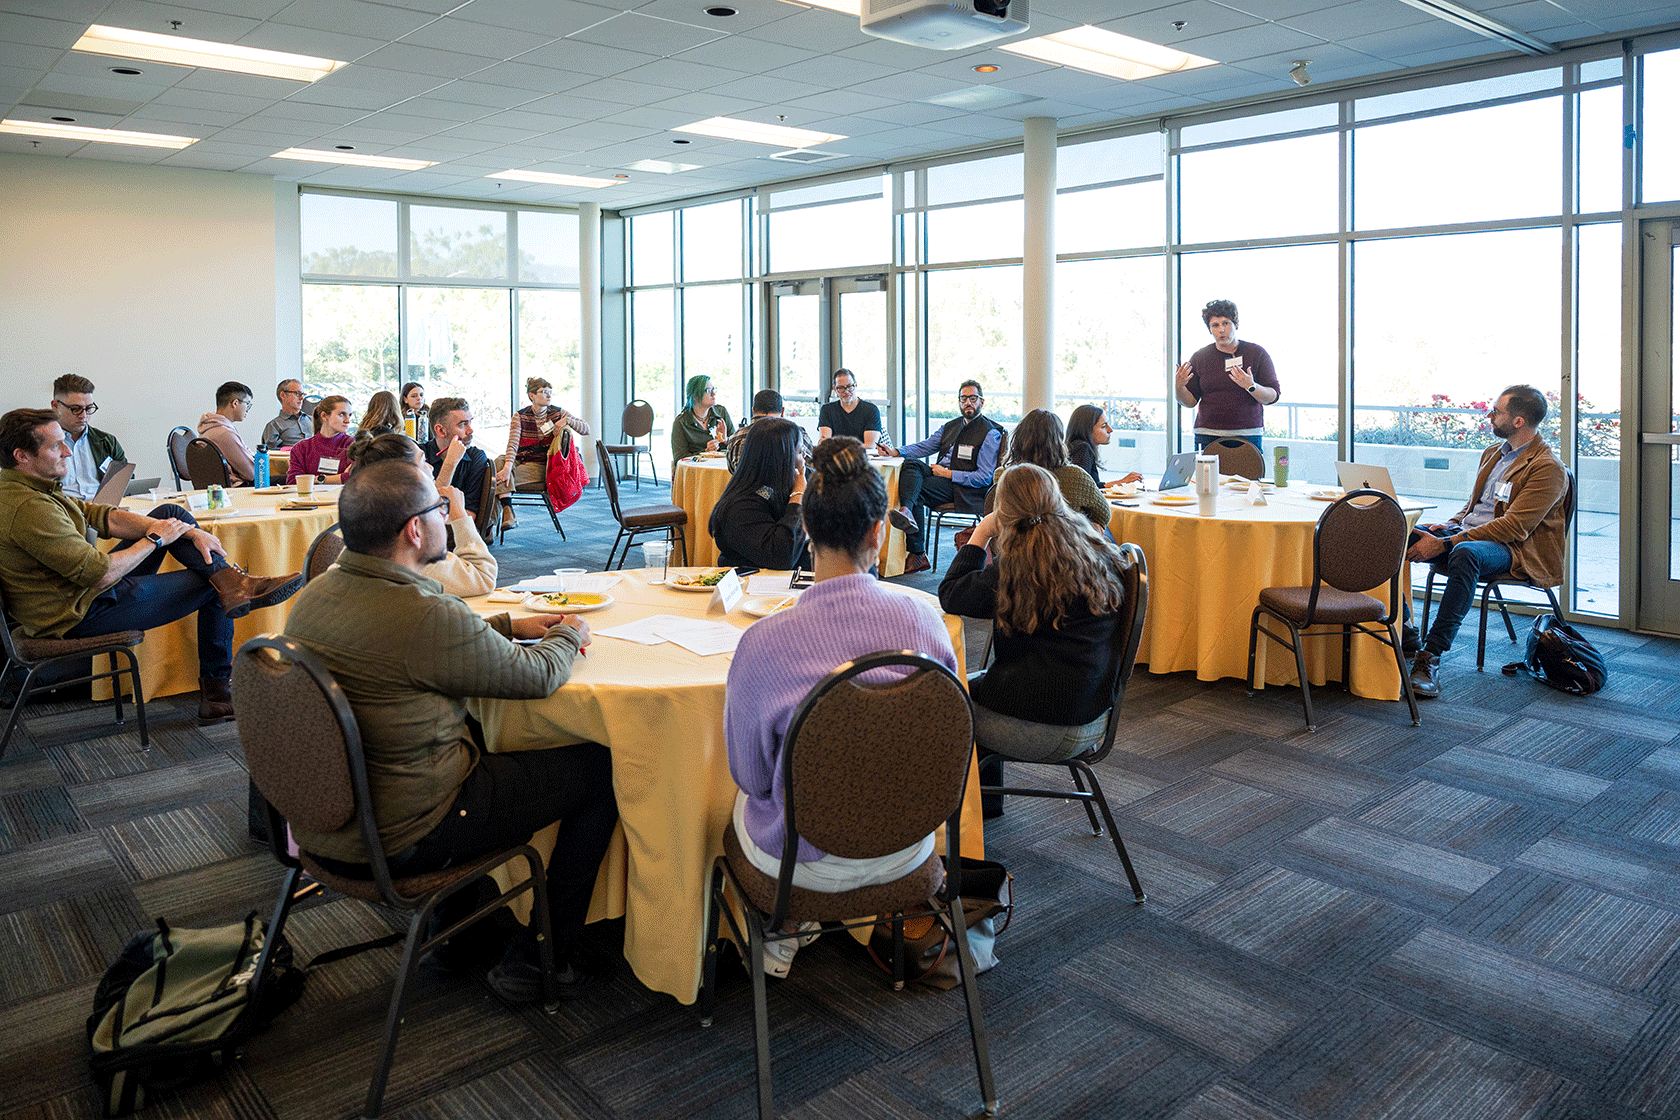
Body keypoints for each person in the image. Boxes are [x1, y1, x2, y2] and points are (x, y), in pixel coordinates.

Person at [283, 458, 618, 1001]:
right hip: (408, 833)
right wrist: (570, 634)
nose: (447, 516)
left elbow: (412, 645)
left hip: (325, 822)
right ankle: (543, 955)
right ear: (416, 529)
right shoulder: (420, 611)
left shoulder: (317, 594)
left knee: (482, 738)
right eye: (440, 510)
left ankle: (460, 931)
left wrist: (508, 624)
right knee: (599, 768)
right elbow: (535, 677)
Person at [725, 437, 958, 978]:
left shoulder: (765, 644)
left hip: (800, 868)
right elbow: (947, 742)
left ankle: (783, 926)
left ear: (805, 529)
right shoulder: (926, 625)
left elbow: (752, 778)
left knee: (736, 795)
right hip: (910, 846)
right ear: (879, 533)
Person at [0, 408, 301, 723]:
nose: (67, 451)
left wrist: (188, 530)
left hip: (80, 597)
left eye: (64, 442)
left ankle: (233, 586)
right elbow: (100, 574)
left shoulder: (29, 488)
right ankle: (218, 693)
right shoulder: (30, 508)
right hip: (78, 614)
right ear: (22, 456)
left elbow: (104, 516)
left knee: (172, 512)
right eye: (55, 446)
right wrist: (155, 540)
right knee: (211, 585)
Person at [939, 463, 1130, 817]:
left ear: (1003, 513)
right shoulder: (1093, 547)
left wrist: (981, 534)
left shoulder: (1019, 566)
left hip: (1044, 722)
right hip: (1092, 709)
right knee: (970, 685)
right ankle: (985, 806)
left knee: (941, 701)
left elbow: (951, 594)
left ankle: (959, 823)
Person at [1404, 384, 1568, 699]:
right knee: (1397, 529)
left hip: (1515, 550)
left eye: (1496, 411)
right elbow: (1475, 507)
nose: (1489, 415)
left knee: (1465, 553)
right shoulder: (1494, 453)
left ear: (1518, 421)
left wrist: (1446, 543)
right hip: (1469, 535)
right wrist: (1449, 526)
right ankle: (1407, 631)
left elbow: (1515, 527)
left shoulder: (1547, 468)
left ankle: (1430, 657)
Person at [345, 432, 495, 598]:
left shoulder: (366, 531)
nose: (430, 467)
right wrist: (460, 516)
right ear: (408, 477)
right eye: (424, 461)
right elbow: (483, 576)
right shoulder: (410, 549)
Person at [882, 379, 1003, 576]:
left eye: (973, 398)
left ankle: (917, 552)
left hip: (963, 488)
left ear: (982, 401)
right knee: (911, 464)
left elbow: (984, 477)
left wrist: (948, 474)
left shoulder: (990, 433)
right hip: (940, 478)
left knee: (916, 490)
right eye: (963, 399)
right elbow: (925, 446)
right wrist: (896, 451)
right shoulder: (950, 426)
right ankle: (907, 511)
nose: (968, 403)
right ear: (959, 402)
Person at [1174, 299, 1280, 452]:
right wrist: (1179, 387)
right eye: (1215, 325)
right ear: (1210, 329)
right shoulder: (1200, 357)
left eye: (1226, 323)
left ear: (1236, 325)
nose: (1221, 330)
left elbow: (1273, 396)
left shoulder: (1257, 353)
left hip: (1247, 434)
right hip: (1207, 434)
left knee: (1248, 476)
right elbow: (1189, 402)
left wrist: (1251, 386)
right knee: (1208, 477)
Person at [709, 418, 808, 571]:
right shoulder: (741, 507)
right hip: (752, 587)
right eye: (800, 452)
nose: (804, 459)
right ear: (781, 458)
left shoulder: (770, 490)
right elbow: (782, 557)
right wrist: (798, 494)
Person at [982, 409, 1109, 528]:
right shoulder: (1076, 475)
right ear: (1058, 441)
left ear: (1018, 438)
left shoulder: (1003, 475)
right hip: (1067, 547)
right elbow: (1104, 515)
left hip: (1014, 548)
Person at [497, 377, 589, 531]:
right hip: (522, 458)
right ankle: (507, 511)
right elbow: (512, 445)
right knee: (500, 462)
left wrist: (567, 420)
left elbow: (586, 429)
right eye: (544, 392)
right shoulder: (520, 416)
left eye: (550, 392)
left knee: (492, 481)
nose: (549, 395)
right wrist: (507, 468)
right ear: (532, 396)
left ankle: (503, 514)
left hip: (542, 465)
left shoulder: (558, 413)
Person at [48, 375, 126, 501]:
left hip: (104, 510)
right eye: (75, 409)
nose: (83, 415)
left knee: (167, 510)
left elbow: (124, 482)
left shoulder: (106, 441)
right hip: (63, 512)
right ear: (55, 406)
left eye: (89, 408)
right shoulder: (40, 443)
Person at [421, 397, 492, 521]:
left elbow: (470, 516)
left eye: (470, 423)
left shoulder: (476, 457)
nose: (470, 430)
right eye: (463, 424)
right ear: (441, 430)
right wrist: (450, 463)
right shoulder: (420, 456)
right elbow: (425, 514)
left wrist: (434, 517)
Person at [725, 389, 812, 474]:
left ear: (753, 410)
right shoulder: (797, 433)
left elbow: (733, 471)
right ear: (782, 411)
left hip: (747, 488)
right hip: (792, 487)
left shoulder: (736, 438)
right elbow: (814, 462)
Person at [1066, 404, 1142, 488]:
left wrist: (1122, 482)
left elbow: (1092, 486)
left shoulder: (1078, 446)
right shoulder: (1082, 448)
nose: (1110, 430)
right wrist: (1122, 482)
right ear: (1088, 429)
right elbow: (1083, 488)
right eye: (1103, 426)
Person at [197, 381, 257, 485]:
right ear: (235, 403)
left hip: (221, 488)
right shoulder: (224, 433)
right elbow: (252, 473)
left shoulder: (210, 427)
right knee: (287, 479)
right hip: (237, 488)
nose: (247, 409)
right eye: (247, 404)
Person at [285, 396, 354, 485]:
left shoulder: (353, 445)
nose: (347, 420)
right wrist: (337, 478)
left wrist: (311, 479)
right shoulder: (301, 448)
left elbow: (353, 478)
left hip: (341, 497)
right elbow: (293, 482)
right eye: (341, 414)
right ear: (324, 416)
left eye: (349, 415)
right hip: (308, 498)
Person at [670, 375, 733, 467]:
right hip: (697, 473)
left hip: (724, 468)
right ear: (695, 396)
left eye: (713, 389)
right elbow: (679, 459)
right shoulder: (681, 422)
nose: (713, 394)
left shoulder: (721, 412)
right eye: (708, 391)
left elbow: (737, 447)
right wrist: (705, 452)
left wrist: (726, 440)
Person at [816, 369, 882, 449]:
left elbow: (870, 445)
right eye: (841, 388)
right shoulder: (827, 410)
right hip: (835, 458)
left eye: (850, 386)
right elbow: (825, 443)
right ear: (835, 389)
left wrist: (838, 446)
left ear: (856, 385)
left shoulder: (871, 410)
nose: (846, 391)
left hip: (863, 458)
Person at [261, 379, 310, 449]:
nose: (302, 398)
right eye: (297, 393)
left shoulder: (313, 420)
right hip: (290, 459)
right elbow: (272, 453)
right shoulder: (274, 425)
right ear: (283, 395)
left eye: (303, 394)